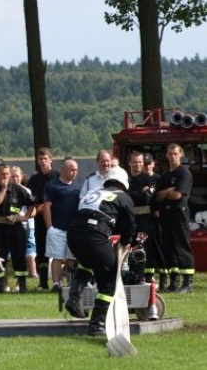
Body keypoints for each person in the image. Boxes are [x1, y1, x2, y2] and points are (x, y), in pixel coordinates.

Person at [65, 166, 136, 335]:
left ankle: (74, 299)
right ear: (123, 183)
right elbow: (129, 224)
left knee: (86, 263)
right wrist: (127, 242)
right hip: (95, 234)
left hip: (73, 234)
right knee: (109, 282)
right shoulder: (123, 197)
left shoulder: (93, 192)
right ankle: (96, 325)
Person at [0, 163, 35, 293]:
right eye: (3, 174)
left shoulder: (18, 189)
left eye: (7, 174)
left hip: (16, 227)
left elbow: (32, 203)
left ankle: (22, 285)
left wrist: (25, 217)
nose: (6, 177)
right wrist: (3, 189)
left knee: (19, 256)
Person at [153, 143, 194, 293]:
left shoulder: (184, 173)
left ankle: (187, 283)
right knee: (169, 248)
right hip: (166, 215)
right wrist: (168, 190)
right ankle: (174, 282)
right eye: (170, 154)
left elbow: (177, 195)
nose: (172, 156)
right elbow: (156, 196)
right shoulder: (165, 176)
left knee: (182, 247)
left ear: (181, 154)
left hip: (179, 214)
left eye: (175, 153)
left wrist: (167, 192)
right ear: (166, 155)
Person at [43, 157, 80, 291]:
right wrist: (49, 227)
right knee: (57, 257)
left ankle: (71, 282)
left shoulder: (78, 187)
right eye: (71, 170)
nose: (74, 172)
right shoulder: (52, 185)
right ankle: (56, 284)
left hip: (73, 230)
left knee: (72, 258)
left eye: (76, 170)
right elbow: (47, 206)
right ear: (63, 170)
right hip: (57, 228)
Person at [28, 148, 60, 291]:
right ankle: (42, 282)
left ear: (50, 160)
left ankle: (58, 281)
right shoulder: (34, 179)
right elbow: (29, 198)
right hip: (40, 219)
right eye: (40, 159)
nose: (42, 162)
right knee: (41, 249)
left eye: (45, 159)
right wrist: (36, 207)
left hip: (56, 217)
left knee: (59, 248)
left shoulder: (58, 177)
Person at [127, 150, 161, 283]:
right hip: (128, 219)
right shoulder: (125, 179)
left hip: (144, 219)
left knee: (145, 247)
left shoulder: (149, 179)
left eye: (140, 162)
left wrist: (131, 195)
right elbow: (122, 197)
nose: (137, 165)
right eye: (134, 162)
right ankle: (132, 275)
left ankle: (148, 276)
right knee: (129, 247)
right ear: (129, 163)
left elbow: (147, 199)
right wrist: (138, 194)